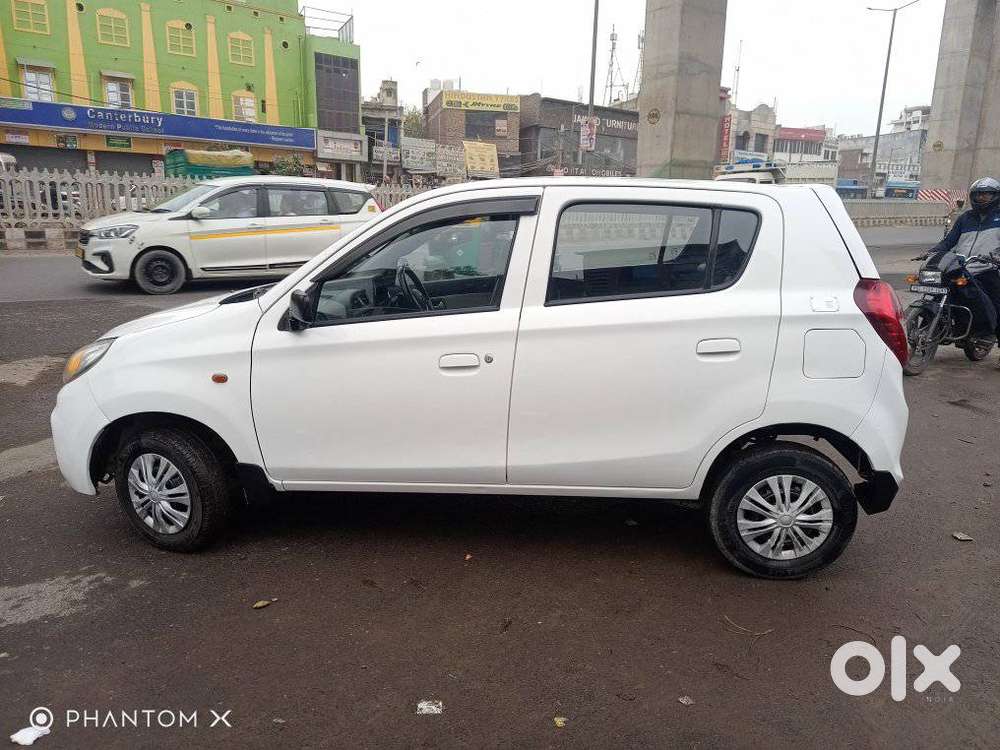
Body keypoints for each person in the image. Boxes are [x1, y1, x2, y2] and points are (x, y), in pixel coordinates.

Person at [927, 177, 1000, 351]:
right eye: (978, 195)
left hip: (989, 268)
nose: (981, 198)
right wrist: (933, 252)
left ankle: (990, 334)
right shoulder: (965, 218)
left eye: (986, 195)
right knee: (942, 291)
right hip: (962, 267)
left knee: (997, 305)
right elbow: (949, 241)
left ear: (995, 196)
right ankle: (950, 326)